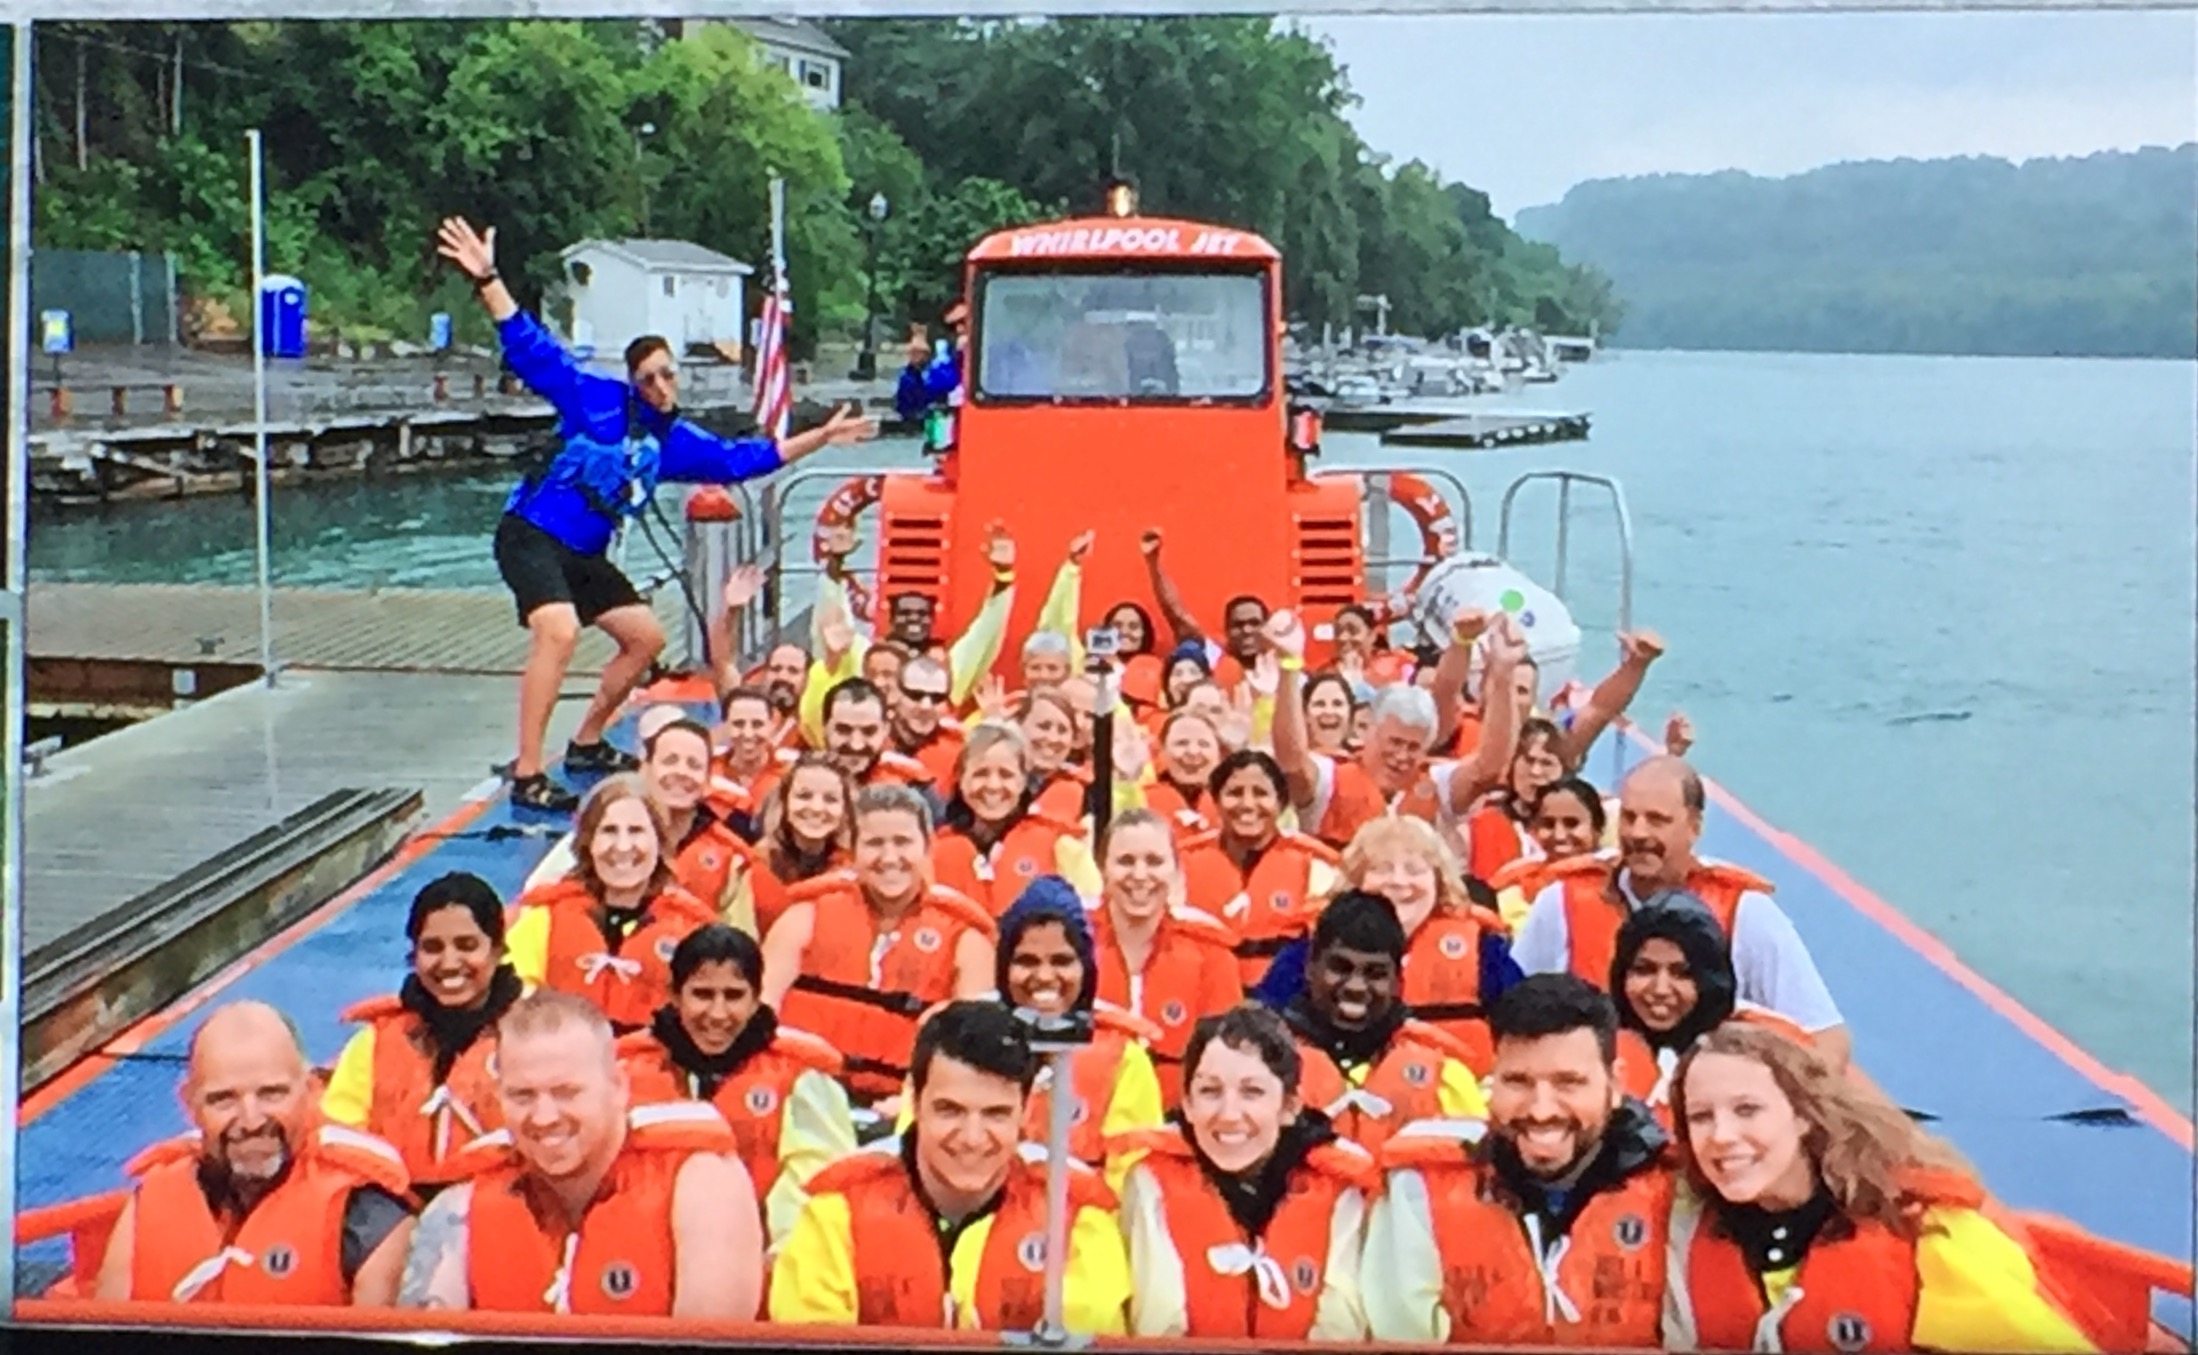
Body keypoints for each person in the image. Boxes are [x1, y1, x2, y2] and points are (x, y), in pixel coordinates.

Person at [435, 215, 877, 814]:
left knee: (646, 639)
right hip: (531, 535)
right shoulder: (591, 397)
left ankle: (587, 742)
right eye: (648, 377)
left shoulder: (676, 443)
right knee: (559, 630)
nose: (661, 385)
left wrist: (821, 437)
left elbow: (748, 459)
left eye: (668, 373)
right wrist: (488, 277)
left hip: (583, 553)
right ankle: (530, 770)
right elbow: (528, 344)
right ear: (633, 381)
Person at [1664, 1023, 2102, 1353]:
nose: (1721, 1135)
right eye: (1701, 1117)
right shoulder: (1676, 1229)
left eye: (1747, 1109)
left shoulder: (1929, 1232)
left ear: (1803, 1115)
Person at [769, 1001, 1132, 1332]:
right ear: (914, 1099)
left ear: (1025, 1111)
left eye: (996, 1114)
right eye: (950, 1110)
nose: (972, 1138)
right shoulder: (837, 1210)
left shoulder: (1076, 1216)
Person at [395, 991, 762, 1316]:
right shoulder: (460, 1208)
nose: (544, 1117)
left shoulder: (702, 1185)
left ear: (618, 1086)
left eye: (566, 1092)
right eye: (523, 1095)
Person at [1362, 973, 1675, 1348]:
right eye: (1518, 1082)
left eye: (1568, 1082)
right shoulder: (1421, 1189)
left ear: (1615, 1085)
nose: (1541, 1110)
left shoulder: (1676, 1194)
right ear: (1491, 1083)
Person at [1511, 755, 1853, 1070]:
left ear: (1695, 826)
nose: (1638, 833)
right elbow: (1513, 1012)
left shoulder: (1745, 911)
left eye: (1657, 820)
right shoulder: (1561, 901)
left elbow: (1827, 1040)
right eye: (1629, 818)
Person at [95, 1002, 416, 1306]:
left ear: (310, 1092)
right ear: (189, 1104)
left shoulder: (369, 1219)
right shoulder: (148, 1203)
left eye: (272, 1094)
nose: (251, 1121)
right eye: (223, 1099)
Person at [1112, 1004, 1373, 1339]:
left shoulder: (1340, 1188)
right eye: (1209, 1091)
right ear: (1187, 1104)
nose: (1229, 1114)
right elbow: (1156, 1327)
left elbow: (1342, 1331)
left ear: (1290, 1106)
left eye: (1252, 1092)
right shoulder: (1150, 1184)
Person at [615, 924, 855, 1246]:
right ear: (674, 995)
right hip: (647, 1251)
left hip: (762, 1259)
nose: (717, 1014)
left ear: (756, 999)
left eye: (733, 996)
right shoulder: (626, 1071)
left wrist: (779, 1262)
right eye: (702, 994)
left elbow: (816, 1187)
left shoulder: (801, 1078)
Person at [761, 785, 997, 1103]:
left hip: (906, 1110)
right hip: (801, 1100)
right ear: (853, 850)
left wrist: (915, 1101)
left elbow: (974, 1052)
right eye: (874, 843)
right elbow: (760, 1016)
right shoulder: (805, 916)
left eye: (902, 843)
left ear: (927, 848)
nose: (889, 858)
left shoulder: (965, 938)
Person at [322, 873, 526, 1194]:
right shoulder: (372, 1045)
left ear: (497, 950)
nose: (449, 962)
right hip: (394, 1212)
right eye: (432, 947)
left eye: (467, 945)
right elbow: (338, 1139)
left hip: (500, 1204)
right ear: (414, 955)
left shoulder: (533, 1037)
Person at [1270, 606, 1525, 850]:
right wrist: (1289, 665)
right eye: (1394, 742)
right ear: (1368, 730)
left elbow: (1489, 767)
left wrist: (1504, 675)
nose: (1402, 756)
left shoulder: (1438, 784)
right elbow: (1292, 762)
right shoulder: (1330, 779)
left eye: (1413, 747)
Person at [1275, 891, 1486, 1153]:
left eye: (1375, 973)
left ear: (1399, 981)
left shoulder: (1446, 1077)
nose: (1355, 986)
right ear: (1310, 967)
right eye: (1340, 967)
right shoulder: (1267, 1064)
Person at [504, 774, 717, 1031]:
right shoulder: (544, 918)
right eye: (609, 831)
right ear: (588, 842)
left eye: (636, 831)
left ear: (659, 841)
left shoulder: (692, 929)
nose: (623, 846)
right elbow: (511, 1005)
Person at [521, 715, 759, 931]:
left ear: (708, 780)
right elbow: (533, 903)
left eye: (694, 765)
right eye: (670, 760)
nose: (681, 772)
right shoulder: (595, 836)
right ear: (645, 768)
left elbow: (741, 949)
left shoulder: (730, 858)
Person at [1608, 893, 1815, 1126]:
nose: (1660, 989)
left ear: (1709, 980)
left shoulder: (1770, 1048)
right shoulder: (1598, 1047)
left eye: (1681, 973)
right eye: (1644, 969)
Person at [1086, 809, 1245, 1101]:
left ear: (1175, 869)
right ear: (1102, 868)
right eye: (1125, 861)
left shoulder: (1209, 952)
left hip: (1177, 1119)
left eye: (1154, 861)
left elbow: (1229, 1055)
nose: (1140, 875)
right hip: (1086, 1115)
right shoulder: (1073, 943)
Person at [1177, 749, 1341, 987]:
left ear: (1282, 802)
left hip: (1283, 1000)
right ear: (1216, 800)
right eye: (1234, 793)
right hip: (1202, 992)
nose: (1247, 804)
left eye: (1261, 793)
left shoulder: (1315, 862)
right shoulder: (1181, 861)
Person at [929, 723, 1100, 915]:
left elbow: (1090, 922)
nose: (993, 785)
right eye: (981, 774)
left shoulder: (1061, 847)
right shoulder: (934, 851)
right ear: (960, 779)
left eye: (1006, 775)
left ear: (1023, 782)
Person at [746, 754, 854, 940]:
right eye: (804, 796)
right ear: (784, 803)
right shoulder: (755, 867)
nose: (817, 807)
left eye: (831, 799)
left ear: (845, 811)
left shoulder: (855, 872)